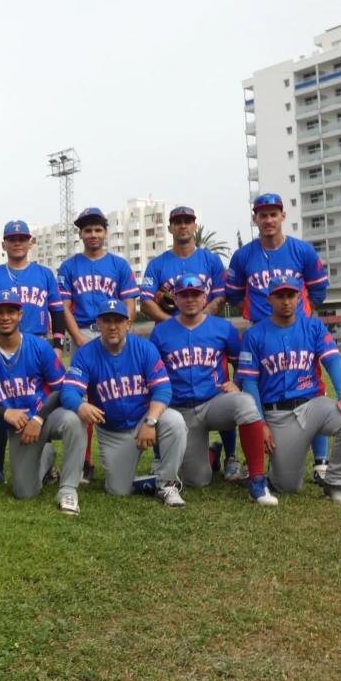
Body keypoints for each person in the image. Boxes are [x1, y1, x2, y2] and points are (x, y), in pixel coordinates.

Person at [227, 193, 332, 484]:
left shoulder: (302, 251)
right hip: (260, 334)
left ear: (283, 216)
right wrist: (254, 313)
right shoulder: (244, 255)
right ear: (255, 219)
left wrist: (305, 318)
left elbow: (319, 290)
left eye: (274, 213)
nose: (268, 219)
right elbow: (235, 293)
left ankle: (321, 463)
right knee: (252, 395)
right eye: (263, 214)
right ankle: (252, 459)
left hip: (297, 332)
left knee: (311, 389)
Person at [149, 274, 276, 506]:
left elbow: (243, 364)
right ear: (175, 299)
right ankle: (213, 453)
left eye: (195, 294)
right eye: (184, 295)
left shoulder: (223, 328)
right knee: (197, 480)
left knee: (245, 403)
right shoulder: (160, 332)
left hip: (214, 403)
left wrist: (236, 382)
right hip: (182, 410)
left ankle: (257, 479)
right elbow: (152, 376)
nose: (190, 299)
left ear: (205, 297)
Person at [237, 276, 341, 505]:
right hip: (278, 414)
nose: (286, 301)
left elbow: (333, 361)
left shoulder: (313, 326)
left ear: (299, 297)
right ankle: (271, 471)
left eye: (290, 295)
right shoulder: (255, 334)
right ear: (270, 299)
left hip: (313, 406)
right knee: (287, 486)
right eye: (280, 296)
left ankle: (335, 484)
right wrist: (261, 424)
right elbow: (249, 383)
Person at [0, 291, 83, 514]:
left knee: (74, 420)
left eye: (10, 312)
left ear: (20, 314)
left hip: (46, 415)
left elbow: (61, 389)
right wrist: (3, 413)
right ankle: (46, 458)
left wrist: (39, 417)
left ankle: (68, 489)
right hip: (17, 425)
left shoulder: (39, 346)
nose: (5, 317)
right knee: (24, 492)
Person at [140, 206, 239, 481]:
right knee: (163, 391)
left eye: (188, 221)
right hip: (172, 339)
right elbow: (146, 301)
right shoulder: (158, 264)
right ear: (170, 228)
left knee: (223, 390)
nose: (183, 226)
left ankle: (231, 455)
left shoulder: (211, 261)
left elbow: (220, 296)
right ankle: (166, 457)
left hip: (207, 334)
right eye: (177, 222)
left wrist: (199, 322)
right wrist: (175, 324)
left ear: (195, 226)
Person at [60, 298, 188, 507]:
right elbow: (68, 391)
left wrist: (150, 422)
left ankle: (168, 484)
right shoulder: (85, 354)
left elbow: (163, 389)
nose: (112, 326)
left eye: (118, 320)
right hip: (112, 431)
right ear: (98, 324)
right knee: (119, 490)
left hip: (142, 419)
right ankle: (150, 481)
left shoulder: (144, 348)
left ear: (128, 324)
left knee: (174, 421)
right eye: (107, 320)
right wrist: (80, 405)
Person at [0, 220, 66, 488]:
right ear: (3, 244)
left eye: (22, 238)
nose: (17, 242)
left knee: (40, 403)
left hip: (37, 344)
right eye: (11, 238)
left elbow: (57, 311)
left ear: (31, 243)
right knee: (1, 407)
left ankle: (43, 457)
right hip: (0, 348)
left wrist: (58, 346)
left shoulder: (44, 273)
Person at [57, 207, 140, 484]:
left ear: (105, 232)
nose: (92, 234)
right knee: (80, 400)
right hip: (82, 332)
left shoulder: (119, 264)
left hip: (114, 333)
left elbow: (130, 304)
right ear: (80, 234)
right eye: (87, 230)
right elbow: (64, 308)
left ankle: (127, 443)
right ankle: (84, 462)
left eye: (97, 229)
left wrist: (125, 330)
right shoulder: (69, 266)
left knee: (111, 392)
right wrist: (78, 338)